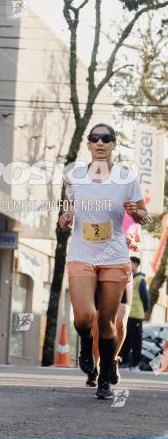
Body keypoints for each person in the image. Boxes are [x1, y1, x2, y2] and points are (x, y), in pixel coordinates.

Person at [59, 123, 147, 400]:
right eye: (94, 138)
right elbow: (66, 209)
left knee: (107, 321)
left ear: (113, 144)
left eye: (106, 138)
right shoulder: (74, 176)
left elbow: (143, 214)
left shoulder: (126, 177)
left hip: (113, 255)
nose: (100, 142)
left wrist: (138, 212)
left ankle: (104, 379)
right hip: (82, 254)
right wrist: (64, 217)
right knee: (84, 317)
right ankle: (86, 343)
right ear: (88, 144)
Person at [120, 256, 150, 369]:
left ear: (136, 265)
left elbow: (145, 297)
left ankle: (135, 364)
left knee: (136, 341)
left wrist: (145, 309)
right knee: (125, 338)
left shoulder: (140, 279)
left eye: (130, 263)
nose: (128, 265)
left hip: (136, 314)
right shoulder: (127, 277)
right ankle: (124, 362)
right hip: (126, 313)